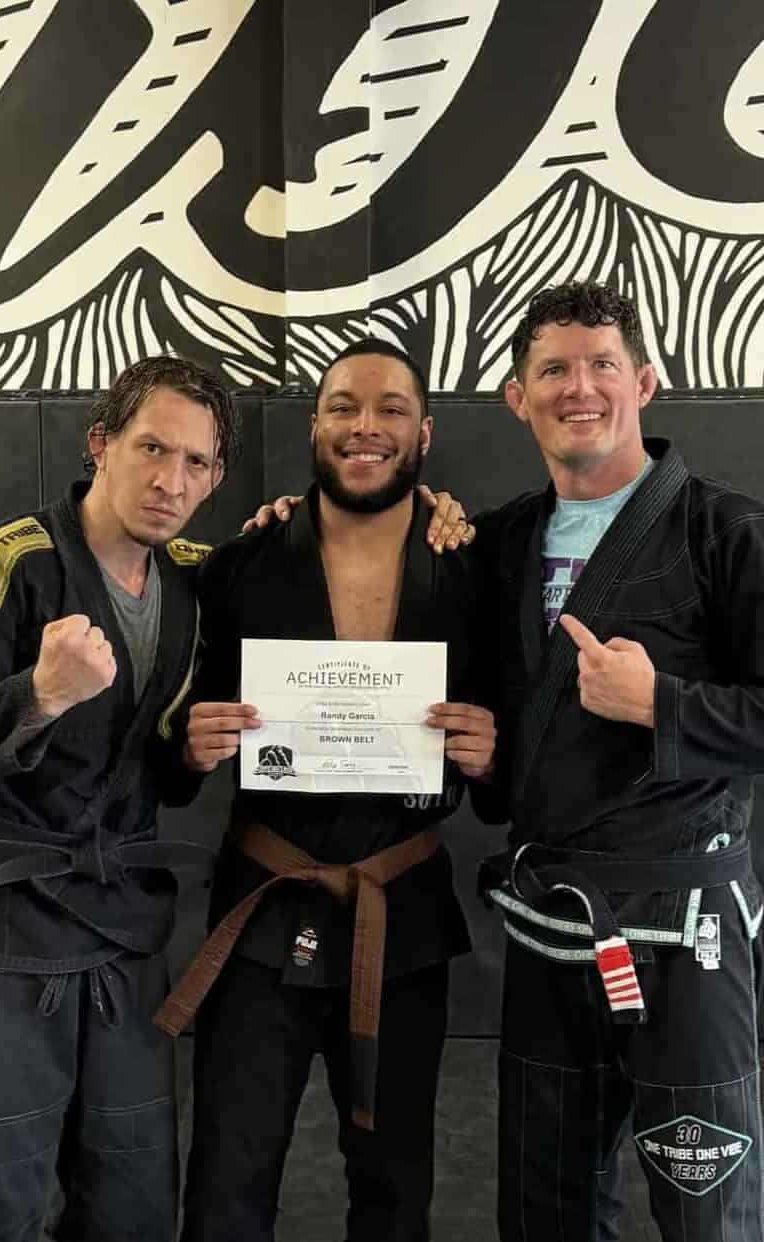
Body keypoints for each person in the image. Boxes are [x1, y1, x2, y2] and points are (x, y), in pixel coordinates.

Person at [468, 281, 764, 1241]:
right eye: (552, 370)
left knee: (701, 1211)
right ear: (516, 396)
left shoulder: (727, 530)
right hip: (549, 918)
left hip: (681, 931)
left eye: (601, 365)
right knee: (545, 1209)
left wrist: (660, 703)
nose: (578, 388)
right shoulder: (501, 542)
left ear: (645, 382)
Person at [155, 338, 496, 1242]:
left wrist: (488, 755)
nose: (365, 426)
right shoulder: (240, 565)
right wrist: (189, 748)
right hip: (261, 912)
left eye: (389, 409)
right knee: (227, 1178)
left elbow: (504, 766)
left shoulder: (469, 569)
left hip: (402, 913)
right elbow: (171, 747)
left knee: (394, 1188)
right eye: (344, 405)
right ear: (315, 425)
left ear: (422, 432)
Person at [0, 355, 240, 1242]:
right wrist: (37, 693)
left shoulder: (197, 580)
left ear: (215, 478)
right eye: (151, 447)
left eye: (196, 463)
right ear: (100, 444)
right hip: (4, 918)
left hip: (122, 924)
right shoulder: (0, 564)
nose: (170, 481)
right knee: (3, 1191)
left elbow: (153, 768)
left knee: (131, 1193)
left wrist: (190, 756)